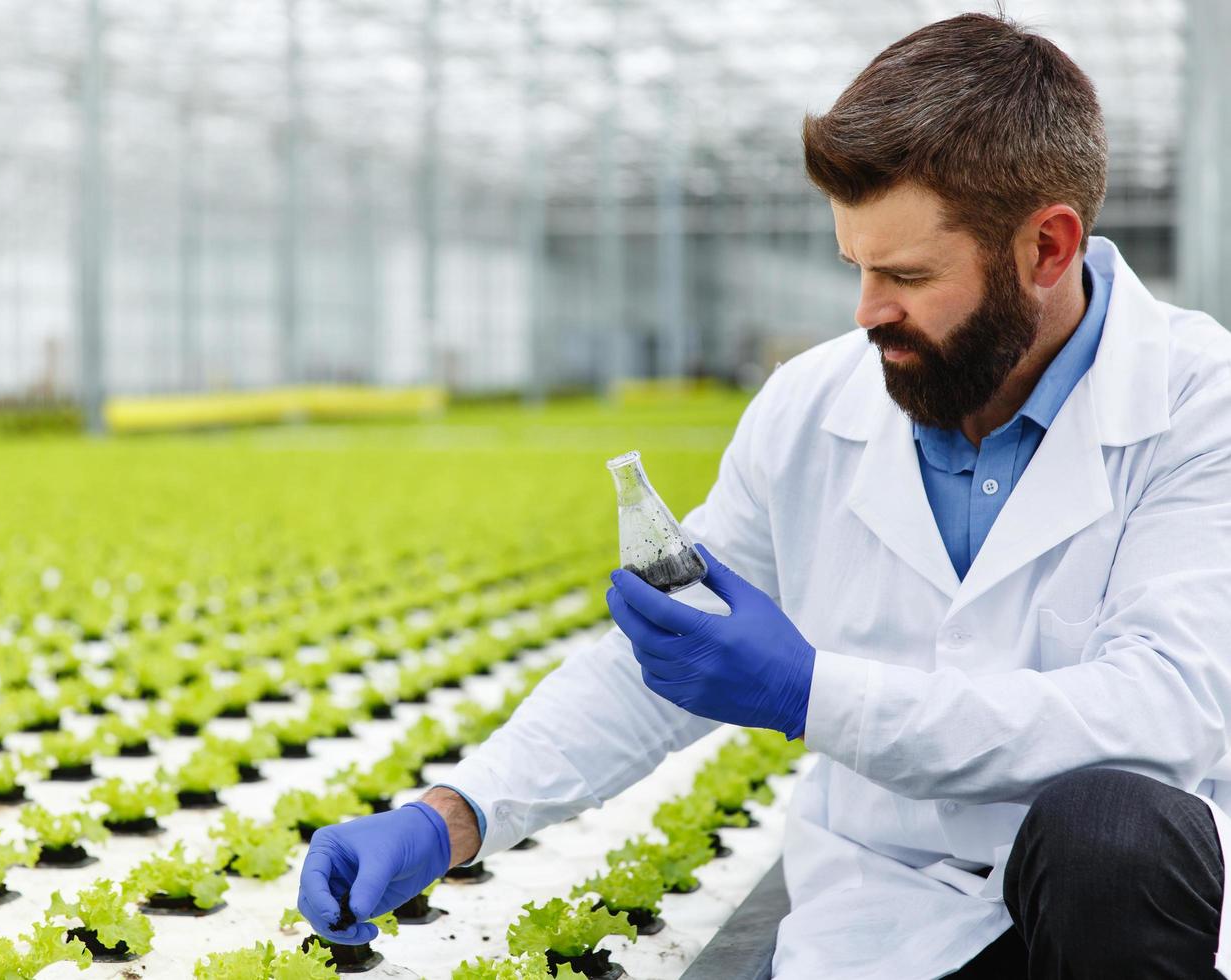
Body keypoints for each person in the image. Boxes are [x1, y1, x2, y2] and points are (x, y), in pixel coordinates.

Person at [298, 12, 1231, 978]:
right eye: (857, 267)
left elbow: (1159, 711)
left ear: (1048, 248)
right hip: (886, 919)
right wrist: (449, 818)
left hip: (1115, 920)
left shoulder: (1200, 401)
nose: (867, 311)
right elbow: (661, 662)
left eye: (906, 274)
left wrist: (811, 693)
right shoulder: (812, 406)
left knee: (1114, 831)